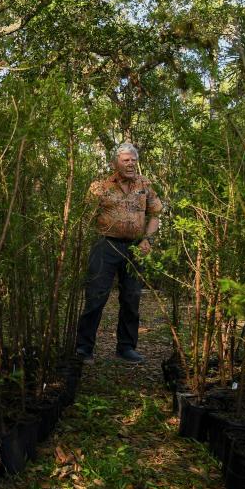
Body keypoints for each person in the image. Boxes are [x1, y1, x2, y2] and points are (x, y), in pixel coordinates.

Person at [75, 142, 163, 363]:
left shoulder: (145, 184)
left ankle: (126, 347)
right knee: (96, 296)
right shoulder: (100, 186)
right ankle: (84, 348)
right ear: (115, 163)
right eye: (126, 160)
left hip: (135, 247)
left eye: (134, 160)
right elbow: (85, 215)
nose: (131, 164)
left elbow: (155, 214)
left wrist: (147, 239)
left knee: (131, 297)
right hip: (106, 245)